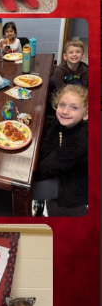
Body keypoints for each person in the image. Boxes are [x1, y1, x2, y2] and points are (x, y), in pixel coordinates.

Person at [33, 84, 88, 212]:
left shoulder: (81, 140)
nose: (65, 111)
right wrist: (36, 166)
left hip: (75, 182)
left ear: (86, 114)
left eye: (74, 107)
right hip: (61, 164)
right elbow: (47, 144)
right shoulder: (61, 120)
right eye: (62, 104)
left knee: (26, 189)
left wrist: (31, 176)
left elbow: (54, 164)